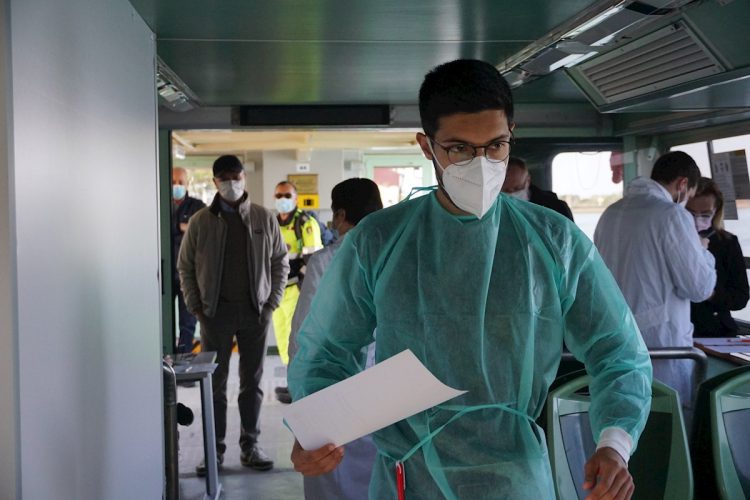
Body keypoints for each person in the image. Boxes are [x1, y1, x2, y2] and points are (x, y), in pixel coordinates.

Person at [288, 59, 652, 499]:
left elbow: (618, 351)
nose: (481, 163)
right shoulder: (380, 242)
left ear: (511, 134)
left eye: (496, 145)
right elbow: (326, 352)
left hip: (515, 476)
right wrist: (315, 431)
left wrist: (614, 445)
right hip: (411, 474)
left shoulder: (553, 241)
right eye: (459, 149)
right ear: (428, 146)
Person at [178, 155, 289, 475]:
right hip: (215, 314)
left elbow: (280, 261)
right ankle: (214, 450)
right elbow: (184, 266)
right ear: (215, 182)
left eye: (235, 176)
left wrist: (271, 303)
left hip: (255, 312)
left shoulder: (262, 218)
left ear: (243, 178)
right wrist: (196, 306)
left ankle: (250, 445)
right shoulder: (201, 221)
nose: (231, 182)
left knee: (251, 382)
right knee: (215, 382)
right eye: (224, 177)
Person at [594, 151, 716, 417]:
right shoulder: (672, 215)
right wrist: (703, 250)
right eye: (690, 193)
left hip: (616, 344)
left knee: (620, 427)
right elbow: (699, 287)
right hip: (662, 349)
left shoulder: (611, 213)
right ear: (683, 184)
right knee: (667, 434)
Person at [288, 178, 383, 500]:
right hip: (390, 396)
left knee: (334, 481)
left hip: (332, 400)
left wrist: (303, 406)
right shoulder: (397, 257)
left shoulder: (327, 260)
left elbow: (304, 339)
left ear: (340, 215)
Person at [273, 180, 323, 403]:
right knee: (283, 338)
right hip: (277, 290)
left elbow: (313, 260)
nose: (282, 200)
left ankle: (300, 385)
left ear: (295, 198)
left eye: (286, 195)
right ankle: (291, 381)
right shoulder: (273, 223)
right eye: (279, 195)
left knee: (298, 339)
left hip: (298, 289)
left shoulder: (305, 222)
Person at [686, 177, 749, 337]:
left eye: (705, 214)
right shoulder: (671, 241)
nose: (697, 220)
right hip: (682, 328)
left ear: (716, 212)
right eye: (691, 214)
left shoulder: (726, 242)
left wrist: (710, 293)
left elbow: (740, 297)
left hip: (718, 330)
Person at [171, 167, 206, 354]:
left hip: (188, 273)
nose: (176, 186)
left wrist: (178, 228)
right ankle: (166, 364)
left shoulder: (197, 206)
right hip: (165, 275)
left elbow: (202, 231)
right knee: (164, 321)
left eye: (180, 182)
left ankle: (184, 360)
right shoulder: (159, 203)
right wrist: (180, 226)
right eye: (173, 182)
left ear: (187, 184)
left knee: (187, 322)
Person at [501, 156, 574, 220]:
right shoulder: (490, 209)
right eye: (504, 190)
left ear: (528, 181)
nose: (510, 193)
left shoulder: (556, 208)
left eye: (517, 188)